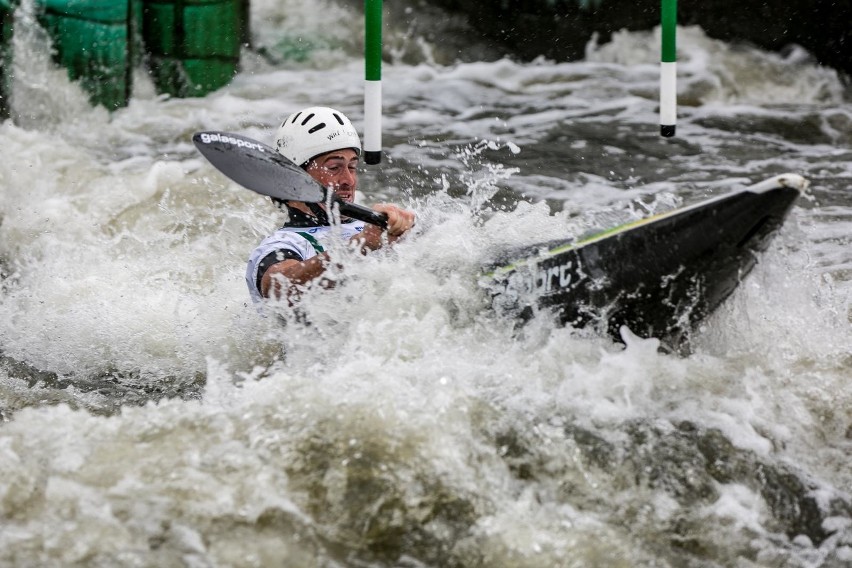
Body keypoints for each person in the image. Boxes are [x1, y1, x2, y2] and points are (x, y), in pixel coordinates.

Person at [246, 106, 416, 305]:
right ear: (295, 179)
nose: (349, 181)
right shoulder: (282, 245)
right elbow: (280, 288)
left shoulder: (374, 228)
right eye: (334, 168)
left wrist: (409, 231)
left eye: (352, 167)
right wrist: (359, 247)